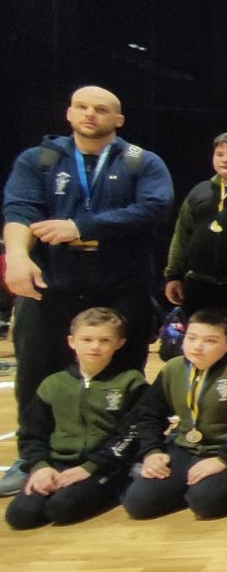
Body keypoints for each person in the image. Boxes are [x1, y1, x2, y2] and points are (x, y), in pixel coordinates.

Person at [2, 86, 173, 494]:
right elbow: (20, 209)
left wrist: (80, 227)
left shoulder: (141, 162)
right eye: (81, 106)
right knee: (36, 370)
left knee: (125, 372)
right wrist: (18, 257)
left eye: (101, 109)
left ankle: (122, 451)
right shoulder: (40, 159)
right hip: (51, 284)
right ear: (68, 113)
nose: (90, 114)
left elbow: (155, 208)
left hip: (120, 286)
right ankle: (33, 456)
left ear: (119, 120)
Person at [6, 308, 146, 529]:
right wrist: (40, 467)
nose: (95, 346)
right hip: (57, 463)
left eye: (105, 340)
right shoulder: (54, 384)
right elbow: (31, 432)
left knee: (61, 509)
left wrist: (90, 467)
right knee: (21, 516)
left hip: (105, 465)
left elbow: (131, 433)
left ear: (120, 343)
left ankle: (116, 486)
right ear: (72, 341)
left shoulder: (130, 381)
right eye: (87, 339)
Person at [123, 308, 227, 519]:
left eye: (210, 341)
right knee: (138, 503)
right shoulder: (173, 368)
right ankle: (189, 487)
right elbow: (147, 414)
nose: (197, 346)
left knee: (205, 503)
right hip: (186, 447)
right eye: (191, 338)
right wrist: (151, 451)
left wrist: (224, 459)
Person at [163, 132, 227, 317]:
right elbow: (182, 234)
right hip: (199, 282)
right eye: (219, 154)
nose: (225, 160)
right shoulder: (200, 191)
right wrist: (174, 275)